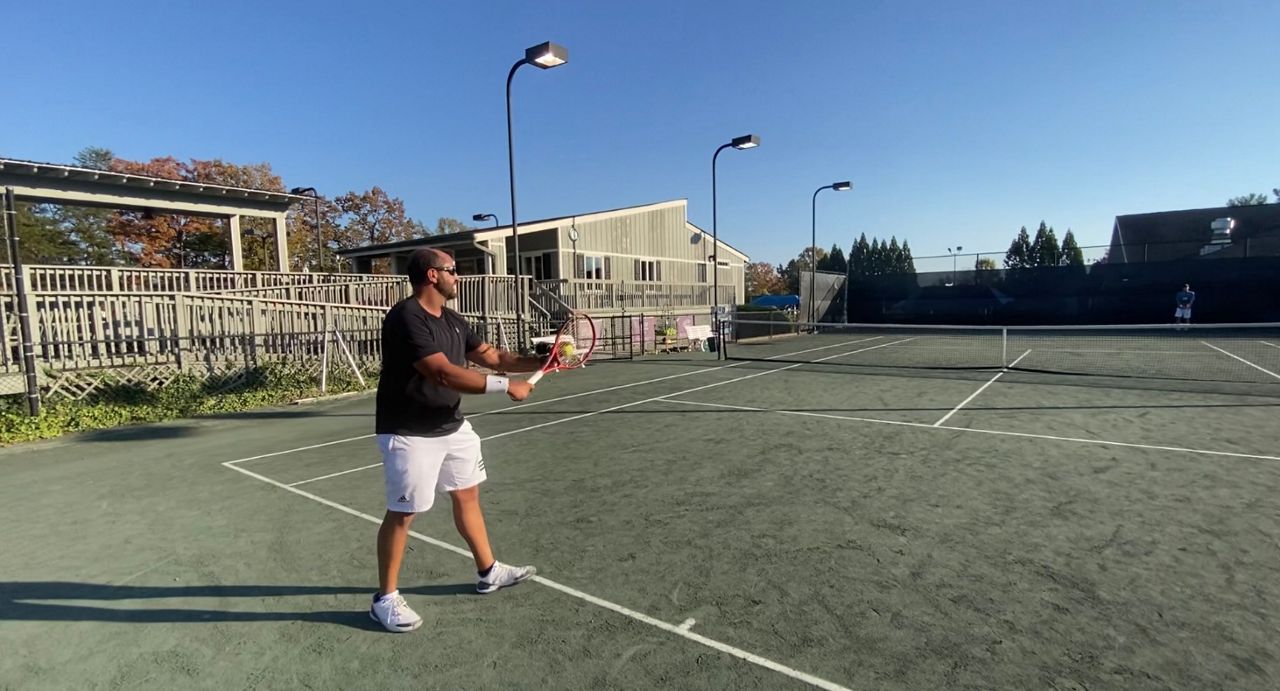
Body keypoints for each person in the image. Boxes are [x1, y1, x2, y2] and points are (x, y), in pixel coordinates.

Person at [370, 248, 545, 633]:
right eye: (453, 270)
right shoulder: (406, 317)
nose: (458, 277)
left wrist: (542, 360)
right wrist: (505, 387)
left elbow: (494, 356)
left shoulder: (452, 319)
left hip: (452, 426)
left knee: (467, 495)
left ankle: (489, 571)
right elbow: (442, 373)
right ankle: (384, 598)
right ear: (432, 275)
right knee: (404, 514)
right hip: (409, 431)